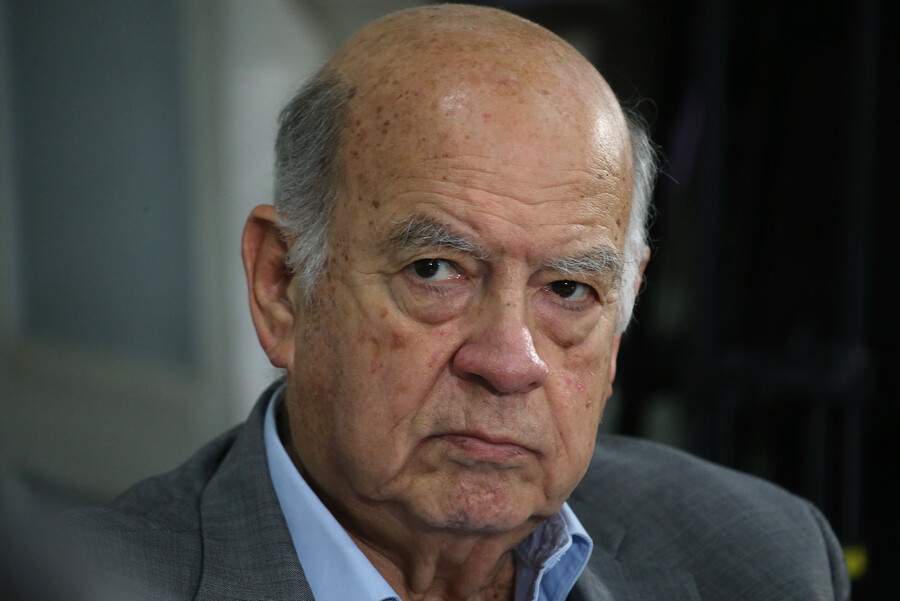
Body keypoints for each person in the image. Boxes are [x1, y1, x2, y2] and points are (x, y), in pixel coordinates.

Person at [58, 4, 850, 600]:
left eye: (568, 289)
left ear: (620, 319)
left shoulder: (767, 557)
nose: (509, 362)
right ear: (282, 287)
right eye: (435, 270)